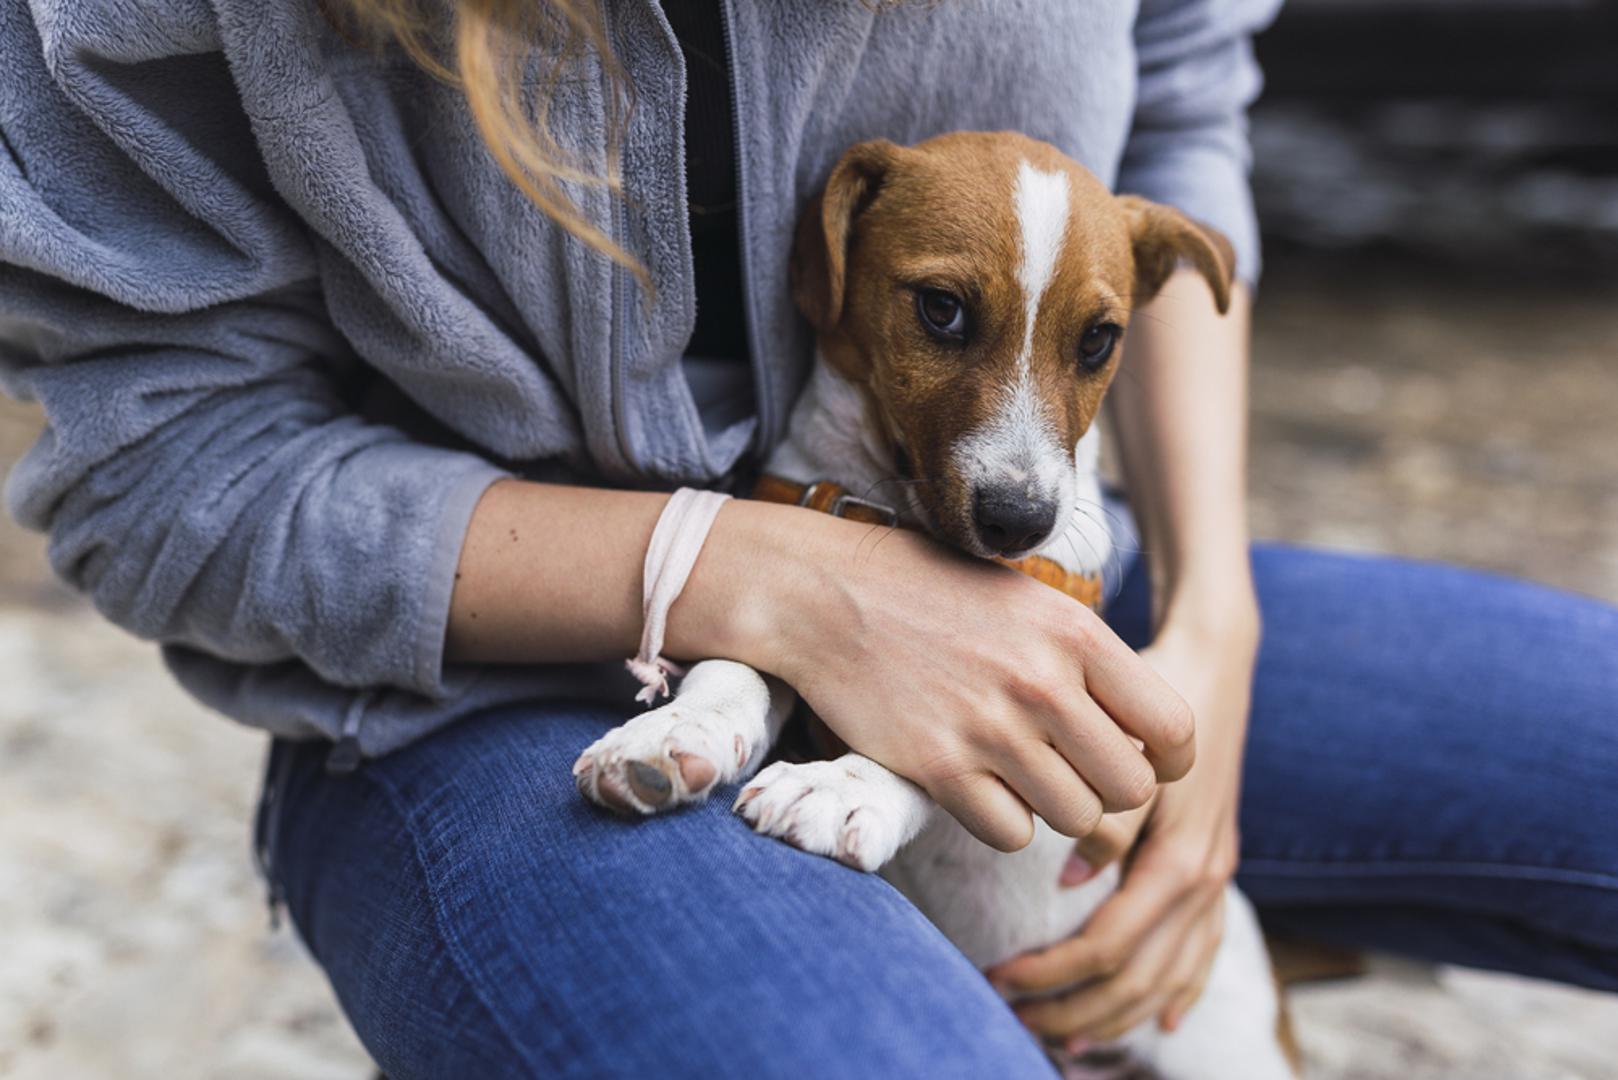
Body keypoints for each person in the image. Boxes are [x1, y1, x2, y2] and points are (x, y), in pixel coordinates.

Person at [2, 1, 1614, 1076]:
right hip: (497, 687)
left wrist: (1213, 619)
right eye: (936, 315)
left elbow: (1180, 102)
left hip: (1084, 600)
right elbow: (160, 469)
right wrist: (759, 583)